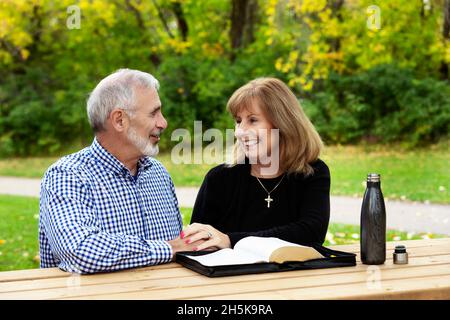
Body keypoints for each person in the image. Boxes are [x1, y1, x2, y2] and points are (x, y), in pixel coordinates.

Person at [39, 69, 200, 274]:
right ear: (119, 120)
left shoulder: (157, 173)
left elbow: (179, 245)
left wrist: (197, 240)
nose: (163, 123)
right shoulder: (67, 176)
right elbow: (79, 251)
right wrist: (169, 248)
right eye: (154, 113)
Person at [182, 77, 330, 251]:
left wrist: (231, 240)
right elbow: (198, 240)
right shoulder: (219, 179)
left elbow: (311, 234)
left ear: (283, 124)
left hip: (294, 277)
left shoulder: (312, 172)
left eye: (252, 120)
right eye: (238, 121)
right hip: (231, 277)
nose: (239, 132)